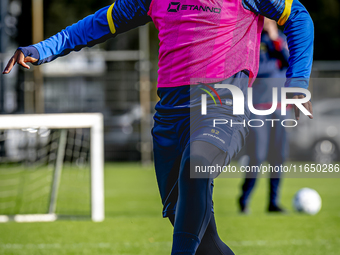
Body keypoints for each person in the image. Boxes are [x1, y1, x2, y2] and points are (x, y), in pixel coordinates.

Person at [3, 0, 314, 254]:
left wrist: (297, 82)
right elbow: (96, 24)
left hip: (221, 103)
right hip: (169, 118)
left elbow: (298, 17)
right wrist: (43, 49)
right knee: (204, 244)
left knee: (198, 163)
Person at [239, 18, 290, 213]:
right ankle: (245, 199)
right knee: (257, 155)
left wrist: (275, 39)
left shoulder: (281, 41)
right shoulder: (252, 41)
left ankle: (273, 202)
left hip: (280, 107)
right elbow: (258, 70)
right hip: (258, 107)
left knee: (279, 156)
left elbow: (288, 61)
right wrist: (275, 64)